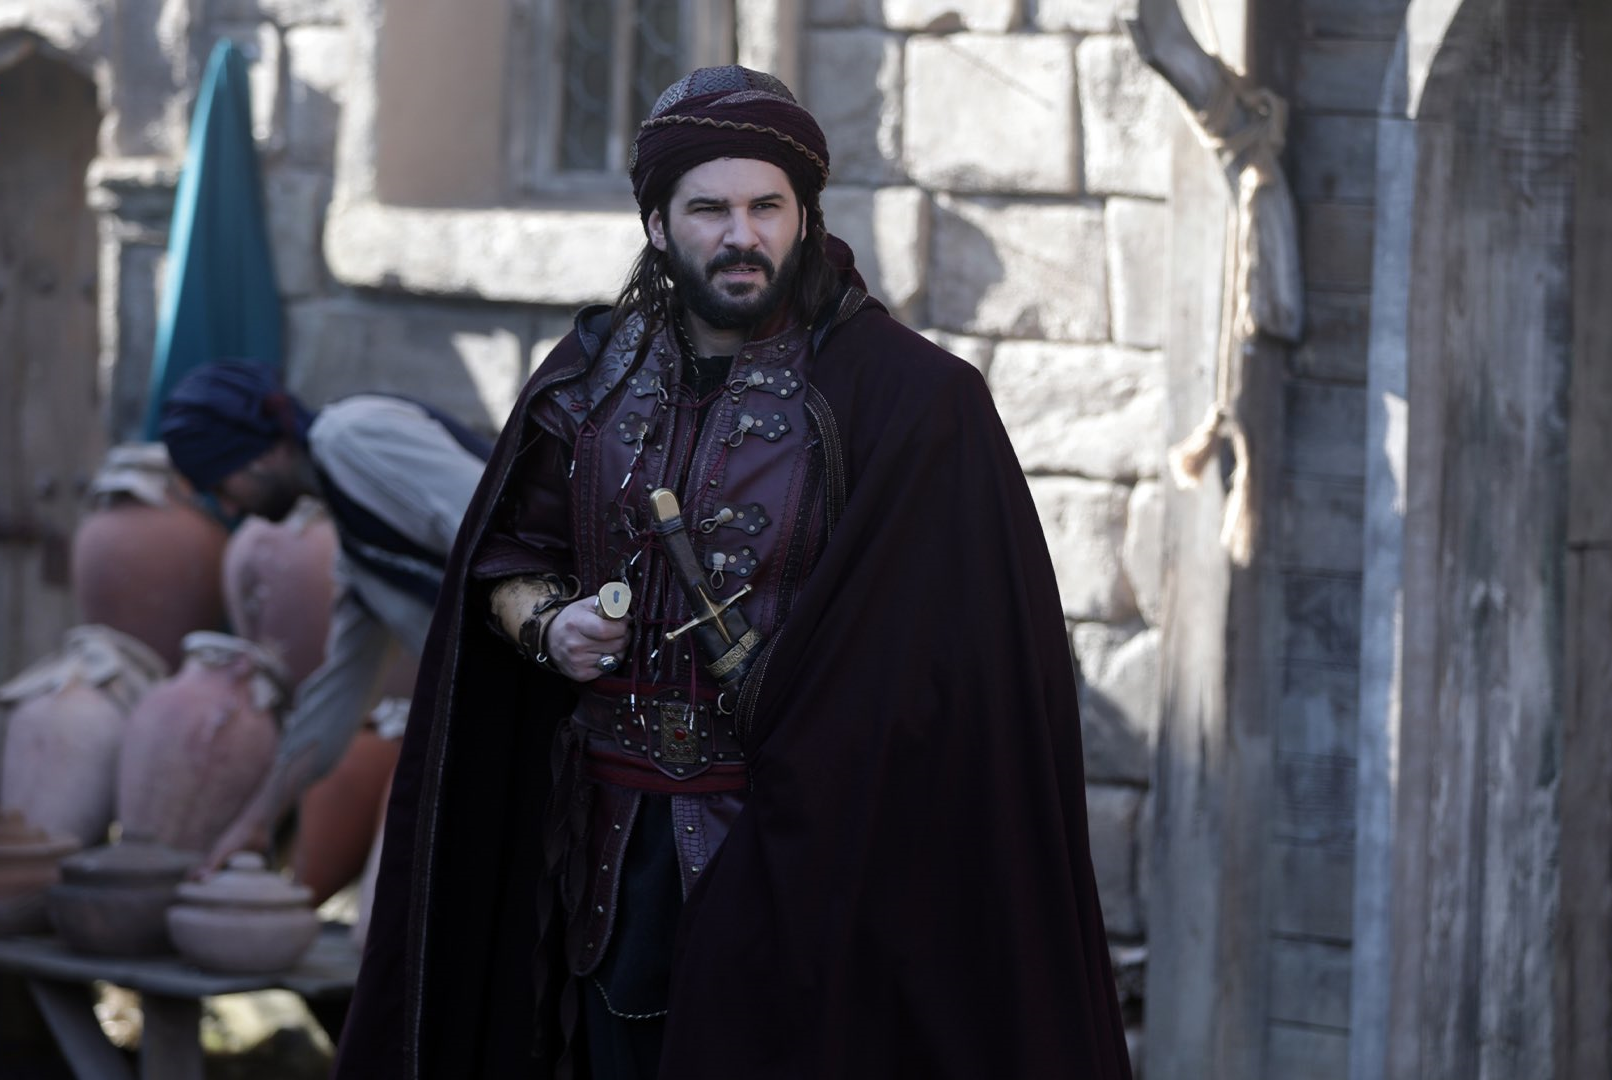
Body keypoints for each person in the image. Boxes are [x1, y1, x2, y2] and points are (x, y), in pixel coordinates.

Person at [336, 66, 1131, 1079]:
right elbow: (509, 556)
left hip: (815, 856)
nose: (740, 235)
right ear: (658, 225)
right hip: (607, 846)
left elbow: (958, 657)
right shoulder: (591, 381)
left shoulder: (906, 400)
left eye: (767, 207)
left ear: (804, 217)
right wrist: (547, 623)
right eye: (709, 209)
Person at [157, 361, 491, 875]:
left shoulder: (352, 437)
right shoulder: (357, 555)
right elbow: (339, 693)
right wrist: (257, 822)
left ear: (260, 454)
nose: (229, 509)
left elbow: (503, 528)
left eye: (222, 487)